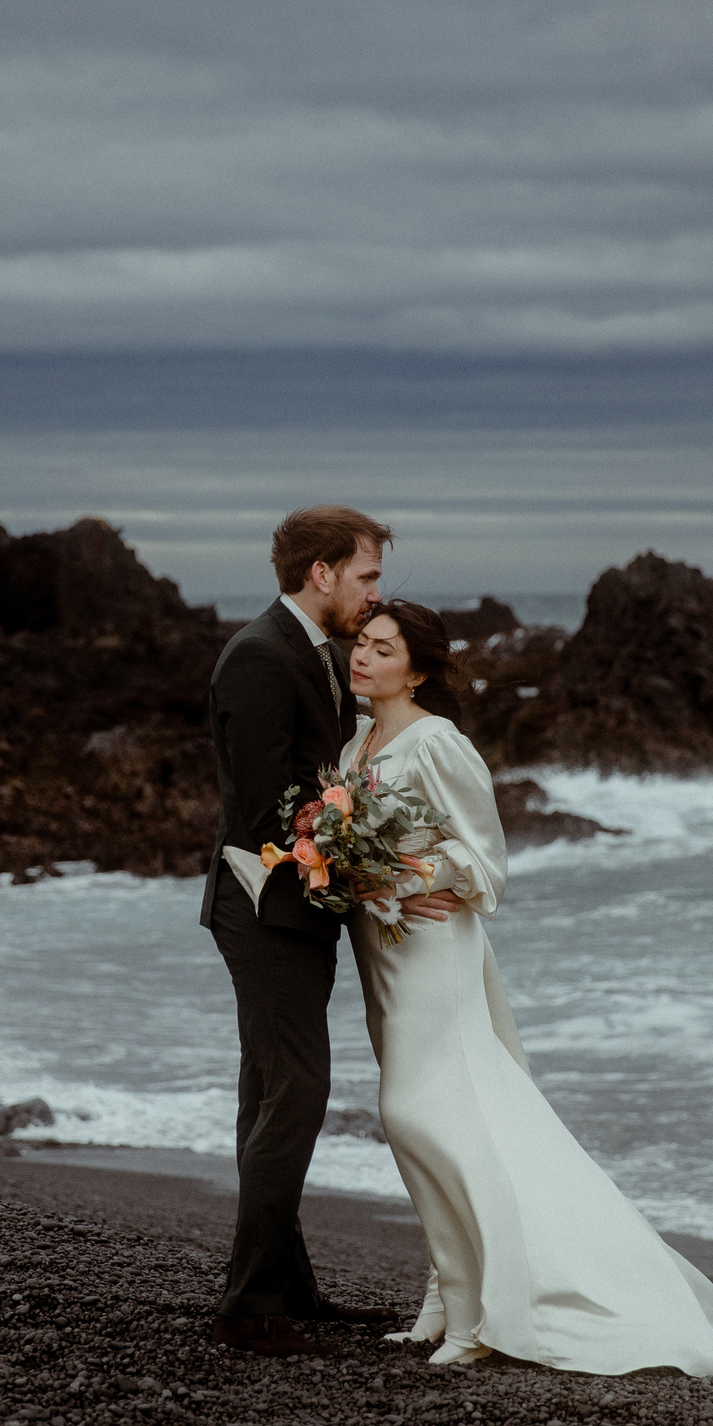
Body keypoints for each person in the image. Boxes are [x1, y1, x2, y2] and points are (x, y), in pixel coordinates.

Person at [343, 599, 713, 1378]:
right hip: (381, 944)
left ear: (416, 670)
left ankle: (489, 1310)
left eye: (382, 649)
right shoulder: (358, 739)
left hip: (433, 948)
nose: (362, 657)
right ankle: (447, 1297)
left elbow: (485, 860)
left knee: (422, 1113)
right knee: (422, 1116)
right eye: (361, 642)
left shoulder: (438, 742)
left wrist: (408, 874)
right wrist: (356, 876)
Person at [200, 509, 465, 1358]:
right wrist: (369, 867)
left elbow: (318, 784)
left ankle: (287, 1287)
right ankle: (249, 1305)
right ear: (322, 573)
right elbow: (263, 807)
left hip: (300, 909)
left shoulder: (315, 655)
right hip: (264, 906)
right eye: (367, 577)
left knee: (268, 1090)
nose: (374, 592)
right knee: (298, 1092)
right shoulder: (257, 657)